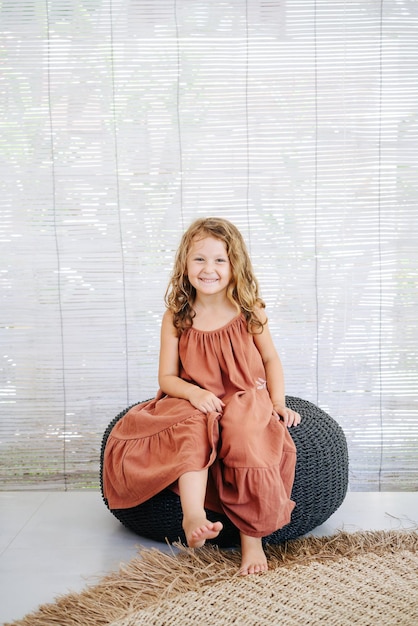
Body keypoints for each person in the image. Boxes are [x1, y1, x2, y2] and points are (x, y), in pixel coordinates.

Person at [103, 217, 301, 575]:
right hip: (194, 398)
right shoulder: (177, 316)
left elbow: (271, 359)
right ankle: (192, 517)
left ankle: (251, 540)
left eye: (219, 260)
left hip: (244, 395)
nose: (208, 269)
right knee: (191, 430)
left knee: (243, 436)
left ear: (234, 265)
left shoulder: (249, 310)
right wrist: (193, 393)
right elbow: (167, 376)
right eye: (199, 259)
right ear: (184, 264)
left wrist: (277, 404)